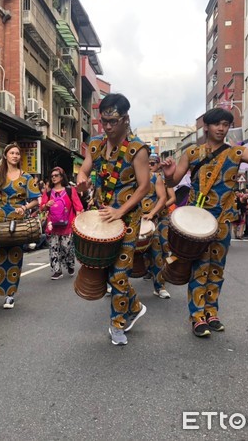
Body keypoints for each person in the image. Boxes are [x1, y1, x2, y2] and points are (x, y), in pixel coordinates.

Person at [162, 108, 248, 337]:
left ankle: (212, 312)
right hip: (197, 221)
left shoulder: (237, 153)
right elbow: (173, 180)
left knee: (217, 269)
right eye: (217, 124)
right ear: (206, 127)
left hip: (222, 221)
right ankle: (197, 316)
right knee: (199, 267)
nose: (221, 128)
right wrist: (169, 175)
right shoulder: (191, 153)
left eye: (226, 124)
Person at [76, 93, 150, 346]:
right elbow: (85, 168)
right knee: (107, 273)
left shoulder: (138, 149)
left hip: (128, 218)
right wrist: (82, 181)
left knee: (119, 275)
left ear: (125, 120)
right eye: (103, 120)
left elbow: (144, 187)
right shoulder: (95, 144)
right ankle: (135, 305)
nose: (107, 126)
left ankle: (117, 324)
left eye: (113, 121)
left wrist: (120, 211)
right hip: (102, 216)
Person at [0, 143, 40, 310]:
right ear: (5, 156)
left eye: (17, 153)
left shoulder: (27, 178)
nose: (15, 156)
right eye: (12, 153)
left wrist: (24, 207)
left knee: (14, 257)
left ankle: (10, 295)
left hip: (17, 221)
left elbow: (35, 200)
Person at [40, 166, 83, 280]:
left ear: (62, 177)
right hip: (52, 226)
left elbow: (78, 206)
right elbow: (42, 208)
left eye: (56, 175)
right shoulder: (48, 192)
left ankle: (70, 264)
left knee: (67, 248)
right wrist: (46, 205)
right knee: (53, 248)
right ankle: (57, 271)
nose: (53, 178)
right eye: (52, 176)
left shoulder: (70, 190)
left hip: (68, 225)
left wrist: (79, 220)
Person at [143, 154, 175, 298]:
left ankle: (159, 285)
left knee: (160, 250)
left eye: (152, 163)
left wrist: (153, 212)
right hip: (134, 219)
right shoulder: (130, 177)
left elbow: (165, 198)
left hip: (156, 219)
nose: (149, 165)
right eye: (147, 163)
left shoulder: (158, 178)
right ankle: (115, 285)